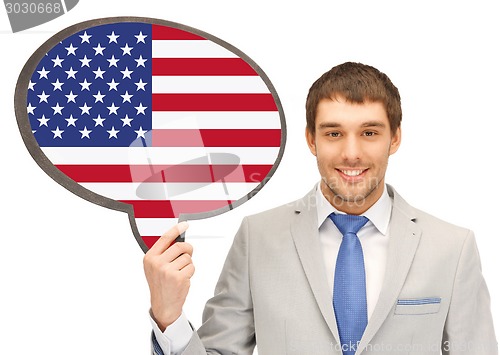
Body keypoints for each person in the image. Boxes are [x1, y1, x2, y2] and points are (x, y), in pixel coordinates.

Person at [143, 62, 498, 354]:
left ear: (396, 138)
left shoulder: (452, 247)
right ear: (311, 139)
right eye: (333, 133)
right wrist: (169, 317)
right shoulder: (258, 239)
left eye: (370, 133)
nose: (351, 153)